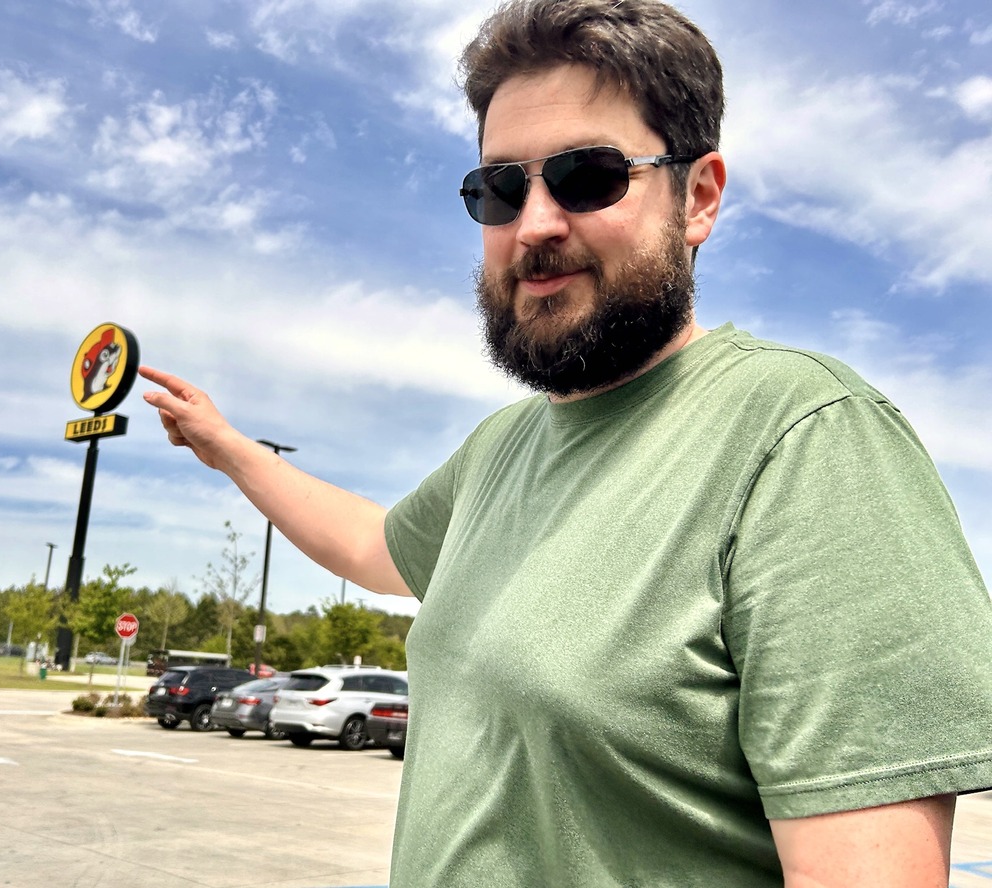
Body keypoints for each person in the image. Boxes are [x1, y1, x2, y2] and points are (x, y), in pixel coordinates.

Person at [138, 2, 992, 885]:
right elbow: (368, 544)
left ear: (697, 197)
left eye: (589, 177)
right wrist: (229, 446)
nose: (535, 223)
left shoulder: (805, 439)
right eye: (500, 189)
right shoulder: (501, 450)